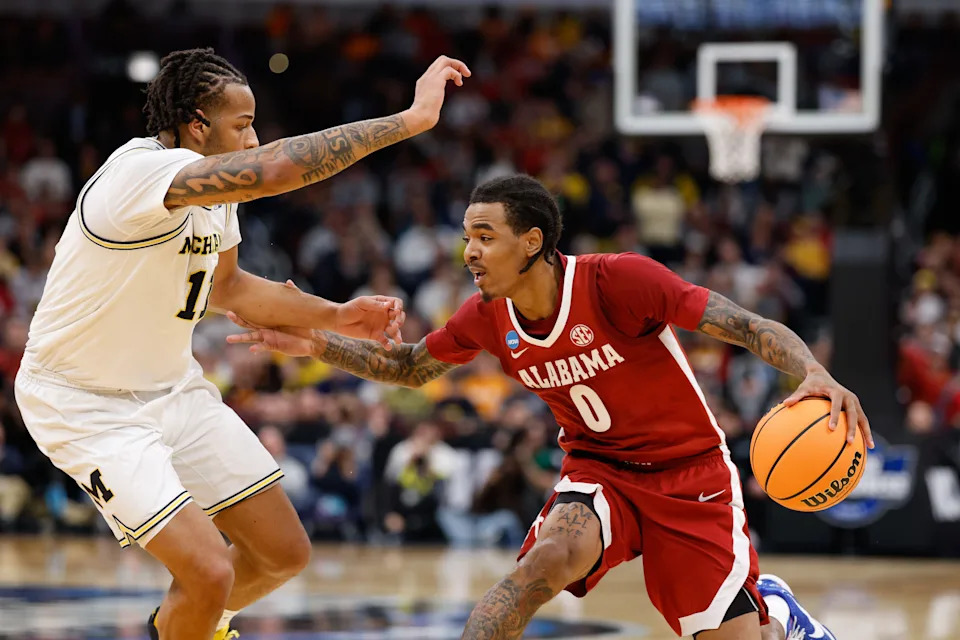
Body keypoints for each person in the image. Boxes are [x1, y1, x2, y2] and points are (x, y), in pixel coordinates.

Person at [227, 175, 874, 640]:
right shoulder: (486, 317)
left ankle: (777, 615)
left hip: (690, 476)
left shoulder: (618, 280)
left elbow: (741, 323)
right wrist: (311, 338)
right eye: (465, 237)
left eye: (485, 236)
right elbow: (406, 366)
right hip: (598, 472)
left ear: (532, 241)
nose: (469, 251)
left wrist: (813, 371)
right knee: (542, 567)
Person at [14, 47, 470, 640]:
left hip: (172, 389)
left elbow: (226, 286)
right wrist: (408, 121)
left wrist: (336, 316)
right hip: (85, 405)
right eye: (242, 124)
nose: (254, 138)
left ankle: (186, 628)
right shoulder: (138, 174)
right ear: (196, 125)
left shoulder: (215, 197)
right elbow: (281, 168)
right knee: (207, 571)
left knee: (282, 554)